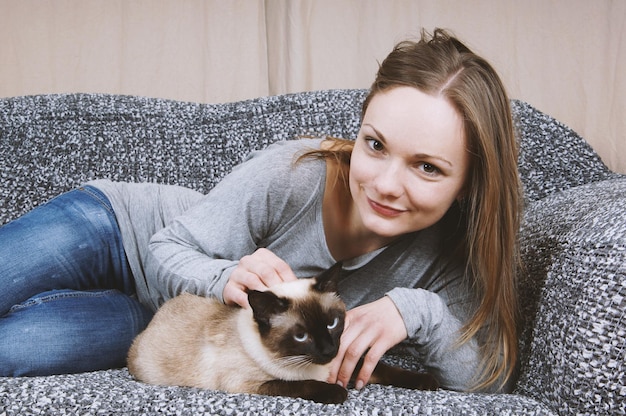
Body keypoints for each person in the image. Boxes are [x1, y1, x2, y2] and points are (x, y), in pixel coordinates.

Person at [0, 28, 521, 393]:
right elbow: (167, 246)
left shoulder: (450, 258)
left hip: (163, 323)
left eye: (427, 167)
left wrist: (418, 312)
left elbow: (489, 380)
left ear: (471, 184)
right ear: (359, 127)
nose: (386, 184)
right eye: (376, 145)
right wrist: (228, 276)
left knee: (15, 350)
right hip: (119, 232)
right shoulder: (295, 175)